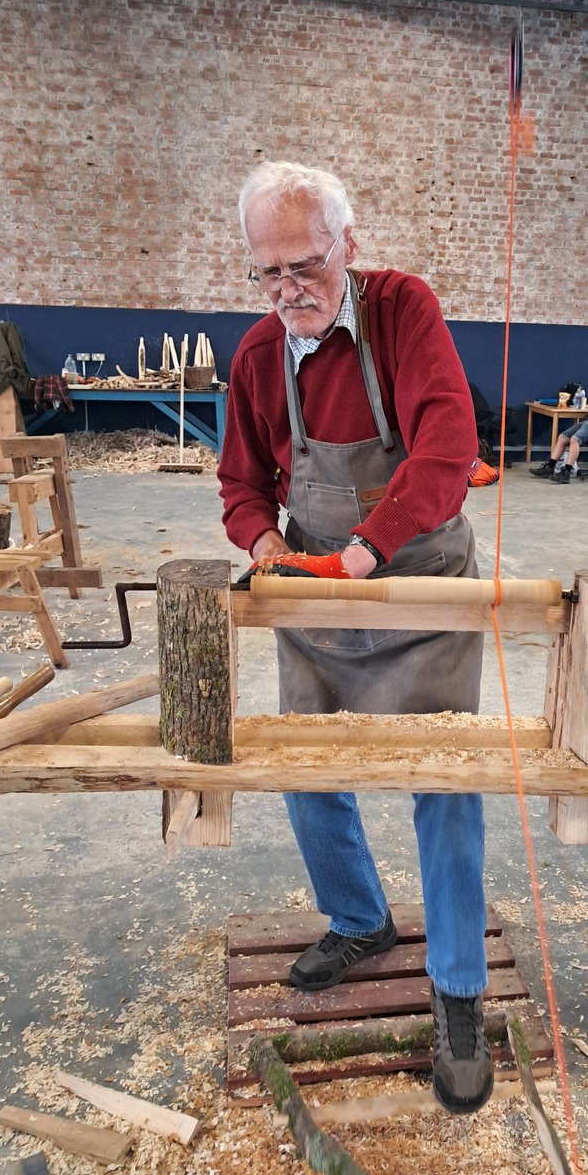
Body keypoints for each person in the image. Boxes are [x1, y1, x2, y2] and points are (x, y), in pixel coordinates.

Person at [217, 160, 493, 1115]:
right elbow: (242, 484)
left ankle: (458, 989)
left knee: (446, 777)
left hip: (416, 581)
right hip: (322, 591)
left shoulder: (403, 312)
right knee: (307, 764)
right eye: (268, 272)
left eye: (305, 265)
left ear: (348, 245)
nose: (288, 289)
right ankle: (360, 919)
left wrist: (374, 548)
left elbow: (448, 444)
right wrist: (262, 544)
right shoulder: (257, 354)